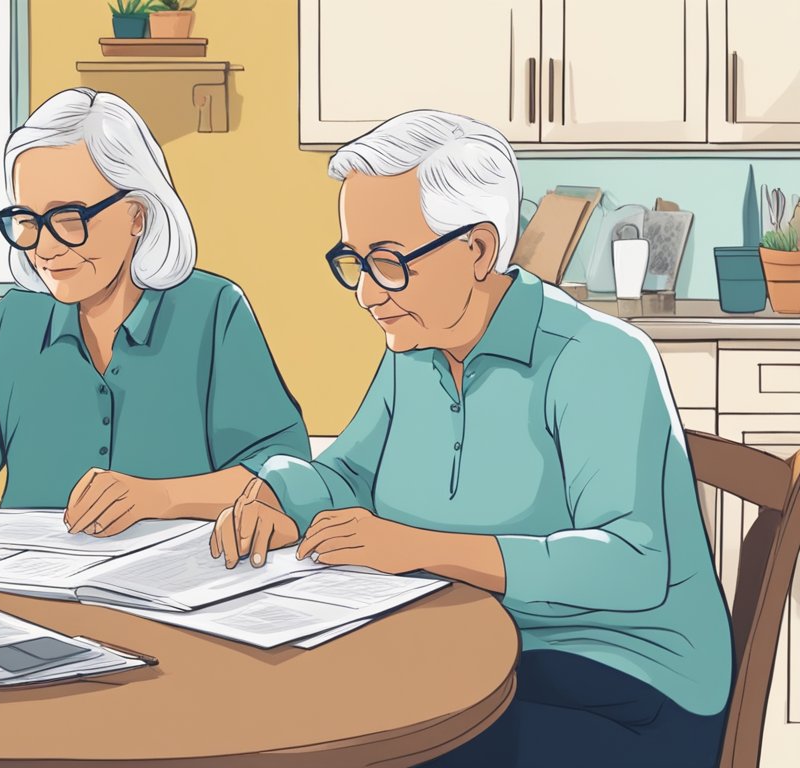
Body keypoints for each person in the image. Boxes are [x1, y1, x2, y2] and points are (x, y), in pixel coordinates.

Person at [210, 110, 731, 767]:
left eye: (391, 262)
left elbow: (632, 563)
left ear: (479, 249)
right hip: (474, 654)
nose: (368, 293)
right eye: (354, 262)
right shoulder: (414, 347)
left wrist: (420, 546)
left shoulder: (600, 359)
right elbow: (347, 475)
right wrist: (274, 497)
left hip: (626, 685)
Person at [0, 88, 309, 539]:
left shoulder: (213, 313)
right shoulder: (13, 326)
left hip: (177, 597)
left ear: (137, 214)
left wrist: (158, 497)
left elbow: (284, 473)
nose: (45, 247)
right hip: (28, 595)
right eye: (29, 221)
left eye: (68, 219)